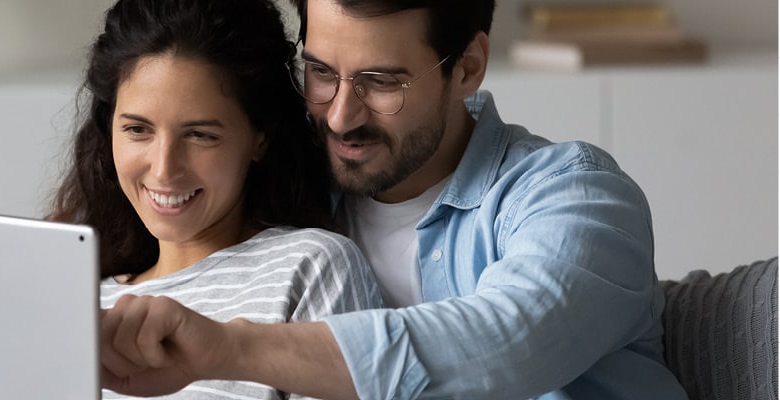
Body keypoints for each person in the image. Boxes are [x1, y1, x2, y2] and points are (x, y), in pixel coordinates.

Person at [99, 0, 690, 399]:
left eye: (382, 82)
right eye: (321, 71)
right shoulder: (297, 194)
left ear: (468, 68)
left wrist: (227, 348)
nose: (340, 115)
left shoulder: (571, 195)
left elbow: (504, 343)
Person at [0, 0, 384, 398]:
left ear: (260, 136)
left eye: (199, 135)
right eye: (138, 129)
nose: (163, 169)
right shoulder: (77, 301)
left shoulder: (309, 268)